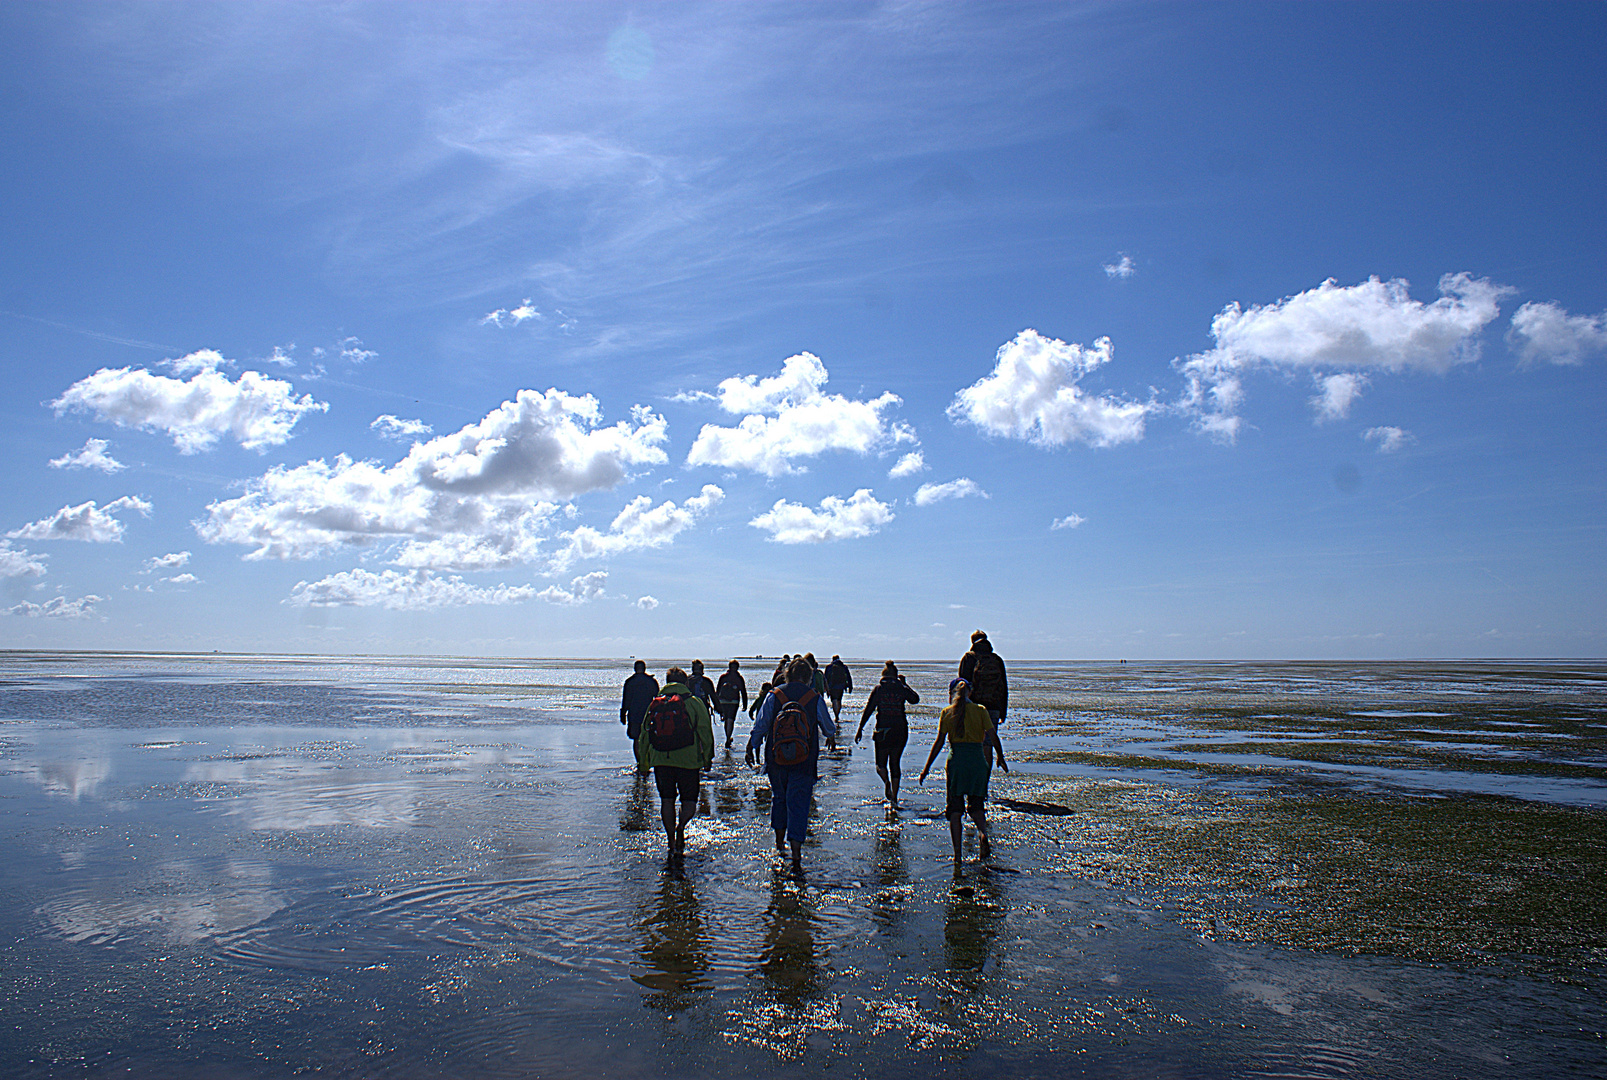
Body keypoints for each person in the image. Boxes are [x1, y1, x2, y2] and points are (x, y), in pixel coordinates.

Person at [746, 656, 837, 875]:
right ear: (808, 677)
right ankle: (796, 853)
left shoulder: (774, 695)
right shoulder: (813, 697)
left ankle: (779, 846)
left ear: (787, 675)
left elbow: (761, 724)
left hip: (776, 760)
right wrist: (830, 736)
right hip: (804, 761)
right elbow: (828, 727)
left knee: (779, 799)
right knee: (799, 804)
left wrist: (752, 745)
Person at [918, 677, 1007, 871]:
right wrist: (1000, 757)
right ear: (970, 693)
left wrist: (926, 769)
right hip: (977, 761)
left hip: (957, 762)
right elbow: (993, 737)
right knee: (977, 805)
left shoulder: (947, 713)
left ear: (951, 694)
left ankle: (958, 855)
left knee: (956, 810)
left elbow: (939, 743)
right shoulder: (981, 711)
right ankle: (983, 834)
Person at [637, 666, 715, 857]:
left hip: (661, 759)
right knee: (689, 802)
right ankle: (682, 827)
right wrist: (707, 758)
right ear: (685, 682)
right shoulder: (694, 703)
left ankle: (670, 839)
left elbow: (644, 735)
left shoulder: (655, 704)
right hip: (689, 760)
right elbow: (705, 732)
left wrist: (644, 764)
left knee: (667, 801)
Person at [854, 661, 919, 808]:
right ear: (896, 676)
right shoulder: (901, 688)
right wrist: (905, 685)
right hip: (900, 729)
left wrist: (860, 728)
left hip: (883, 730)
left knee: (880, 764)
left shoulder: (879, 690)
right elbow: (915, 699)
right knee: (895, 764)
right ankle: (894, 798)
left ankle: (886, 782)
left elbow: (869, 709)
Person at [958, 630, 1009, 728]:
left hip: (973, 706)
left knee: (974, 740)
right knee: (989, 740)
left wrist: (958, 710)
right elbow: (1004, 688)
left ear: (972, 641)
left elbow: (962, 685)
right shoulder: (997, 659)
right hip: (994, 706)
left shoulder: (969, 657)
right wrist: (1003, 713)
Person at [620, 660, 660, 770]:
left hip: (634, 715)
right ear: (645, 668)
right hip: (649, 715)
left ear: (634, 669)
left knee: (636, 739)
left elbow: (626, 700)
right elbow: (657, 699)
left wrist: (623, 714)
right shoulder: (651, 682)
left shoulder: (630, 682)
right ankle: (646, 762)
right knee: (649, 739)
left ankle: (640, 763)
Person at [715, 660, 749, 749]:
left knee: (727, 720)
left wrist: (716, 704)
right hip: (734, 701)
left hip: (723, 701)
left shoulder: (723, 677)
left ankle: (728, 737)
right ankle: (728, 738)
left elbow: (717, 691)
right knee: (730, 720)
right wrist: (745, 704)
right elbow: (743, 692)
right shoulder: (739, 678)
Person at [823, 655, 854, 722]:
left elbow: (825, 678)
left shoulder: (829, 667)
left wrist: (825, 687)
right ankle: (838, 714)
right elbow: (848, 677)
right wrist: (850, 686)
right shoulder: (843, 667)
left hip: (832, 687)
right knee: (839, 700)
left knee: (834, 701)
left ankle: (836, 715)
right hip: (841, 686)